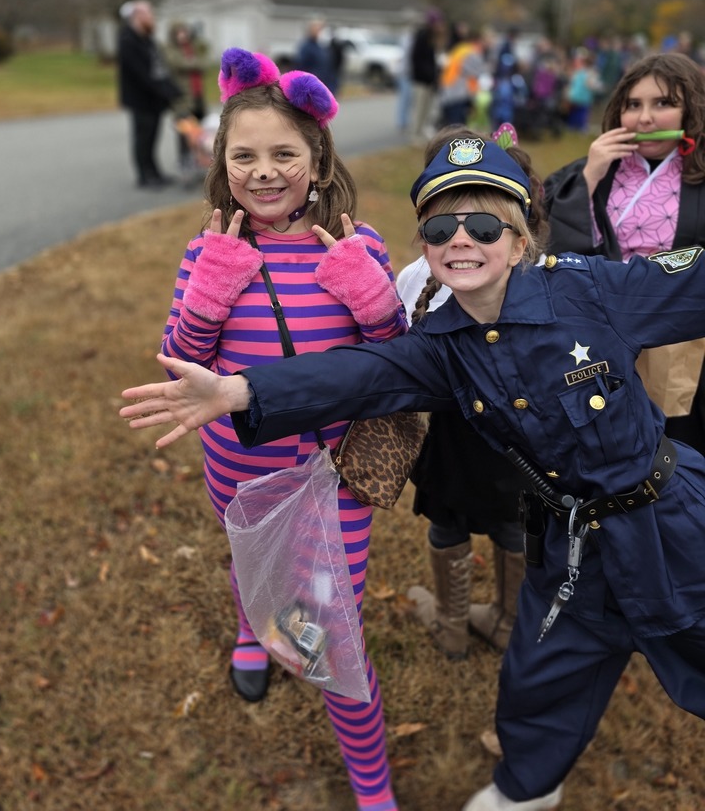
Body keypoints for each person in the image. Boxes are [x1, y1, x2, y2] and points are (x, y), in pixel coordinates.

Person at [120, 134, 705, 811]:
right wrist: (234, 392)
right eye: (440, 227)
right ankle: (524, 794)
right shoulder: (440, 344)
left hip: (672, 529)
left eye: (484, 224)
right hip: (572, 552)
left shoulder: (594, 290)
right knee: (537, 685)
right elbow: (355, 374)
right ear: (425, 247)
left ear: (518, 241)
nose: (463, 239)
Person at [147, 47, 408, 810]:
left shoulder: (358, 246)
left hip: (336, 475)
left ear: (318, 159)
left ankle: (372, 787)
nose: (264, 171)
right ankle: (247, 631)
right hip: (238, 465)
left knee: (331, 628)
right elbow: (181, 365)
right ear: (221, 163)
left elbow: (396, 366)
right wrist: (212, 290)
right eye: (245, 155)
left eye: (284, 153)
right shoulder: (209, 250)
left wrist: (371, 296)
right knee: (250, 562)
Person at [399, 127, 543, 659]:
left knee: (450, 521)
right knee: (509, 522)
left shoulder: (421, 274)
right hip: (508, 441)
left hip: (459, 439)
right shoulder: (521, 273)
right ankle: (492, 623)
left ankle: (458, 625)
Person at [545, 51, 705, 456]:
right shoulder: (597, 169)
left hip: (682, 335)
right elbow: (558, 248)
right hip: (601, 327)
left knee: (678, 450)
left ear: (692, 111)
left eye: (664, 104)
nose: (644, 118)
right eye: (634, 105)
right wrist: (588, 175)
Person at [117, 0, 183, 188]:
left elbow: (159, 69)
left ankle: (154, 172)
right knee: (143, 138)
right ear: (137, 16)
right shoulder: (128, 40)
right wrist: (165, 91)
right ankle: (144, 176)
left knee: (153, 136)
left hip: (154, 99)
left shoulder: (147, 39)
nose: (152, 17)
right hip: (141, 100)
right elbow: (143, 74)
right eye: (148, 14)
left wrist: (173, 89)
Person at [163, 22, 209, 181]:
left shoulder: (193, 47)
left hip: (197, 97)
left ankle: (197, 161)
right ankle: (184, 164)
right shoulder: (170, 49)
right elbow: (178, 63)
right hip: (181, 98)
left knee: (198, 133)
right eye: (179, 32)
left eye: (185, 31)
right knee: (184, 132)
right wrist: (194, 62)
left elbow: (204, 63)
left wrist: (194, 62)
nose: (183, 35)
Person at [408, 9, 443, 142]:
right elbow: (417, 59)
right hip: (421, 80)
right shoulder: (422, 37)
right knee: (419, 108)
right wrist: (428, 73)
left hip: (429, 81)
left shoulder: (432, 38)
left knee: (426, 109)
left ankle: (421, 131)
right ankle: (415, 134)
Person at [295, 17, 334, 88]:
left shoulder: (323, 47)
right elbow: (301, 67)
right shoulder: (306, 47)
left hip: (324, 85)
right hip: (311, 86)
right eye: (317, 28)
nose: (320, 30)